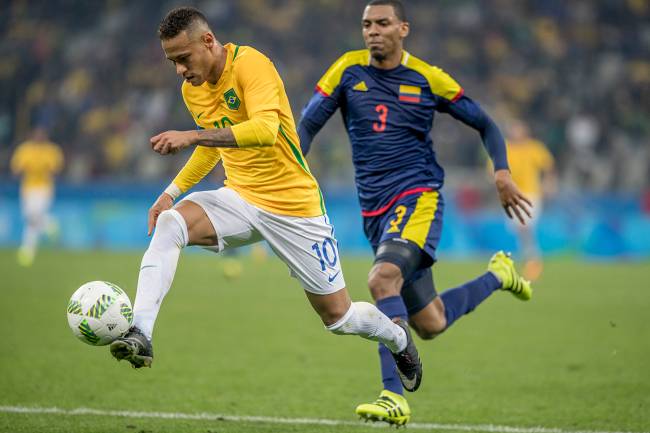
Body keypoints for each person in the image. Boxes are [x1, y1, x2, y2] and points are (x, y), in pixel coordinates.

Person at [109, 6, 423, 394]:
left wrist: (191, 135)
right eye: (172, 61)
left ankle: (396, 338)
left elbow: (263, 129)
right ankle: (140, 331)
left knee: (339, 319)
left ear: (208, 41)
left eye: (183, 58)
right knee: (171, 222)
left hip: (294, 208)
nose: (179, 70)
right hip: (240, 197)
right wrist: (169, 193)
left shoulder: (251, 64)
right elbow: (212, 147)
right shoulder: (193, 89)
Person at [298, 0, 533, 426]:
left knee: (381, 278)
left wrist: (501, 172)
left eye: (383, 23)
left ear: (403, 28)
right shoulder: (347, 70)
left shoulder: (428, 78)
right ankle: (499, 275)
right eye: (367, 24)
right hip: (374, 210)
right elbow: (307, 125)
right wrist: (292, 165)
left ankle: (392, 395)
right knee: (431, 322)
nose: (373, 31)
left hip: (417, 198)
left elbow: (486, 123)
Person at [502, 119, 556, 281]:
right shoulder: (505, 148)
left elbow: (548, 167)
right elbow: (493, 170)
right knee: (519, 229)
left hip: (531, 194)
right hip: (511, 195)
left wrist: (549, 183)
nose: (516, 133)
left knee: (523, 226)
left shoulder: (534, 148)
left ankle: (533, 261)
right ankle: (530, 259)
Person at [10, 128, 64, 267]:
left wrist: (47, 170)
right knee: (31, 218)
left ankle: (27, 250)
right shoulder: (24, 149)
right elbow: (16, 169)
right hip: (28, 189)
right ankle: (50, 225)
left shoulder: (51, 150)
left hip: (44, 189)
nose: (39, 137)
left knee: (32, 219)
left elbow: (56, 170)